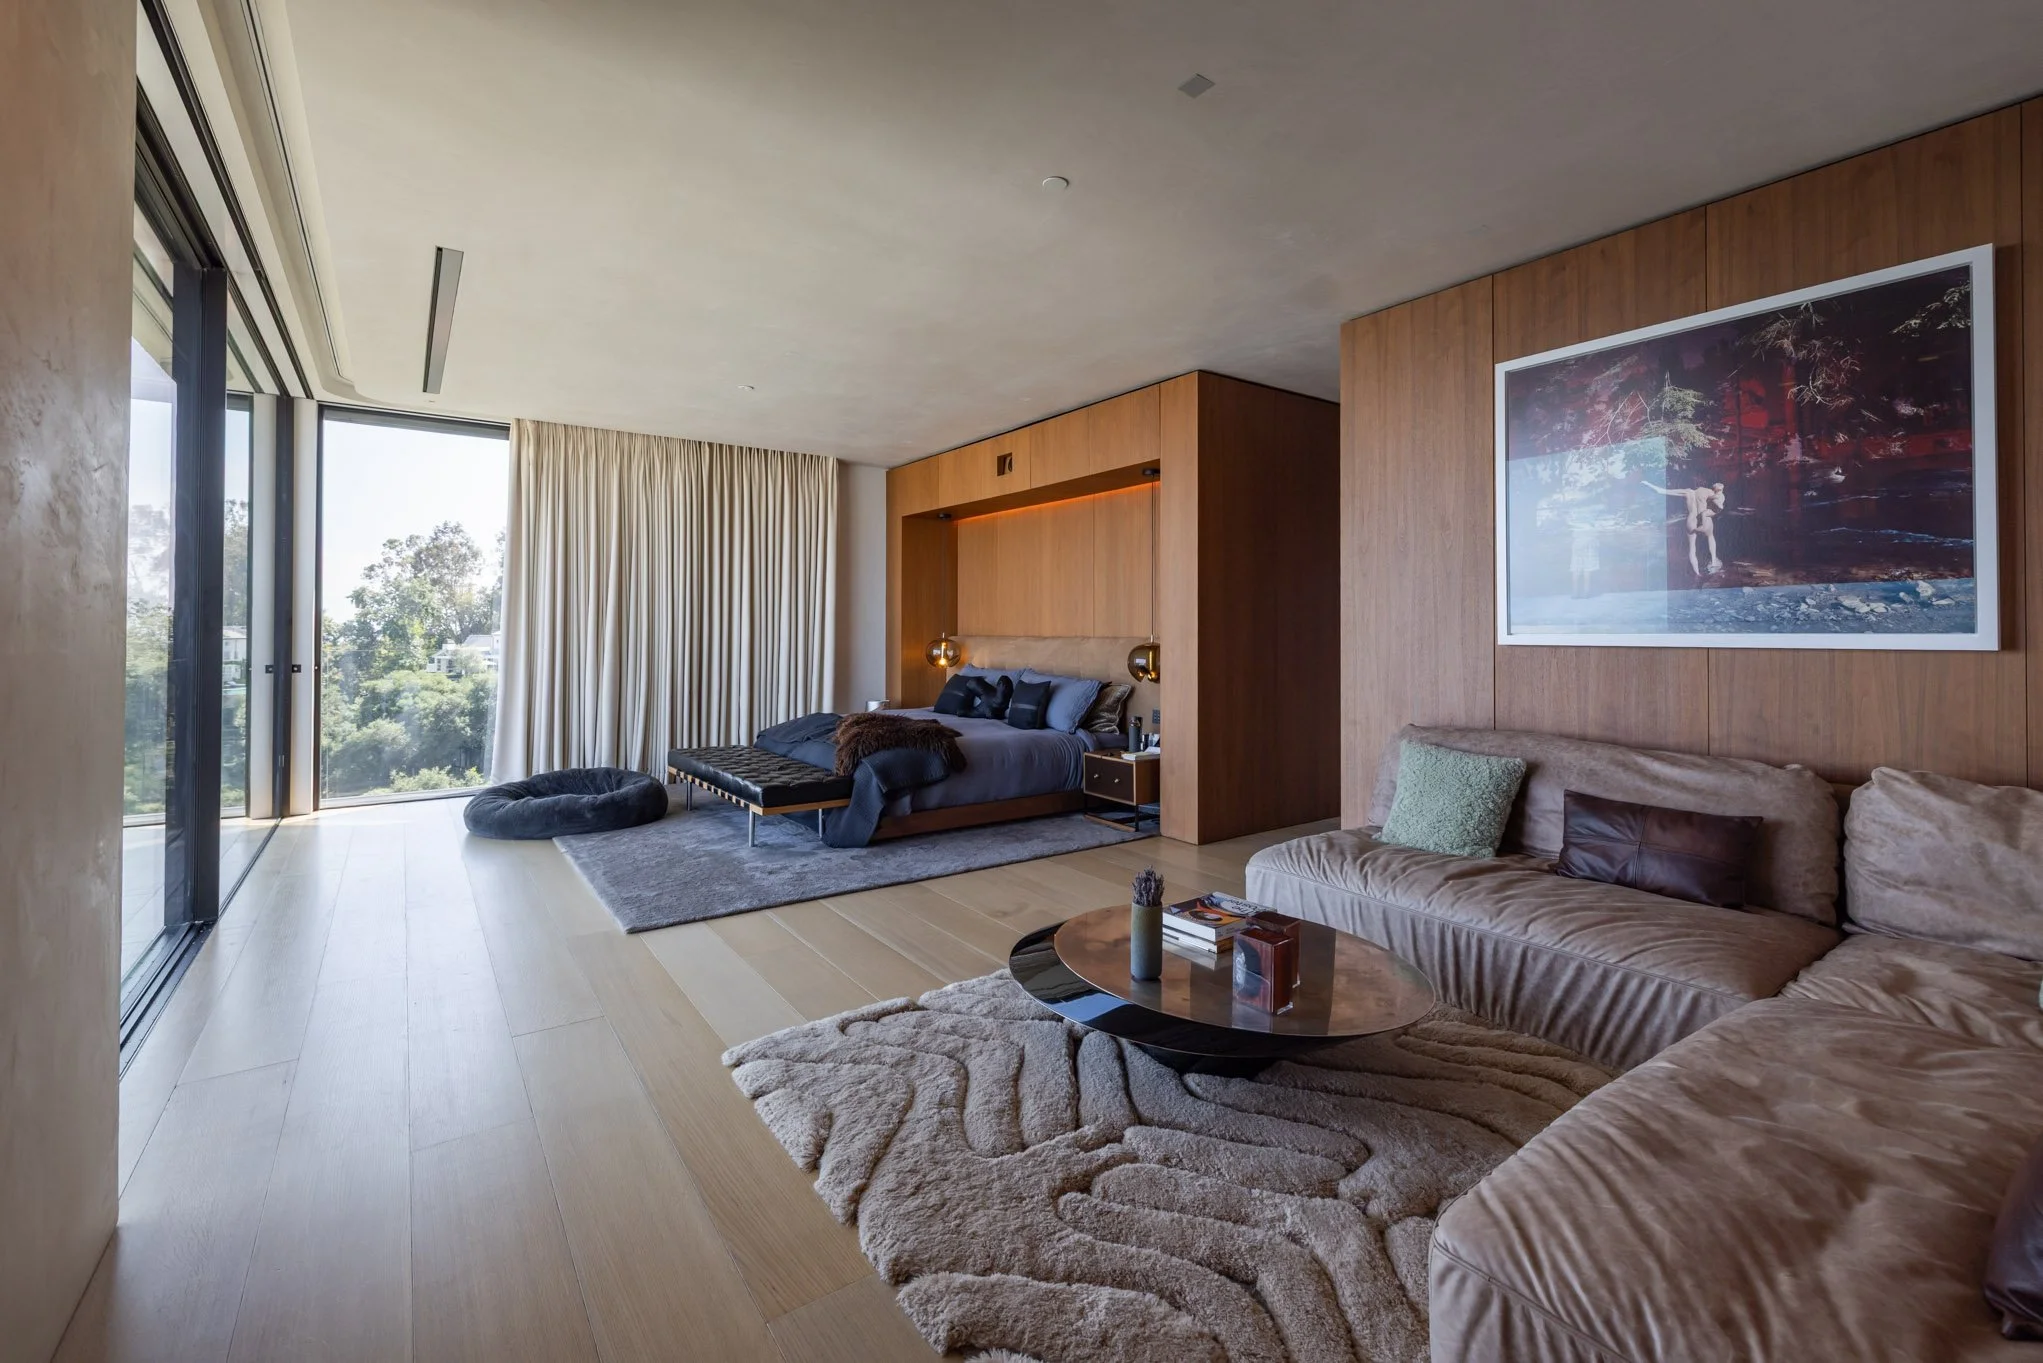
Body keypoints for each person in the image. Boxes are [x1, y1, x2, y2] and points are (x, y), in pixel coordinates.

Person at [1643, 479, 1727, 577]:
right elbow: (1719, 501)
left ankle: (1697, 573)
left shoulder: (1687, 491)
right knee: (1710, 537)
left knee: (1692, 548)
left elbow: (1661, 491)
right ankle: (1713, 561)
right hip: (1703, 519)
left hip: (1691, 520)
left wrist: (1648, 483)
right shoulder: (1707, 491)